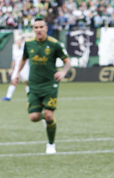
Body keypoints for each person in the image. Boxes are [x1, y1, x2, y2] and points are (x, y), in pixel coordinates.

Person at [12, 18, 72, 154]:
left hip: (50, 85)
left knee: (49, 115)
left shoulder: (55, 44)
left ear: (46, 28)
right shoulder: (29, 44)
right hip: (34, 85)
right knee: (33, 117)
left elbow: (67, 61)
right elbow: (23, 59)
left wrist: (63, 71)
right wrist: (17, 74)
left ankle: (51, 144)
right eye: (36, 27)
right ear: (33, 29)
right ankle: (45, 117)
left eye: (41, 27)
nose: (38, 30)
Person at [2, 36, 29, 101]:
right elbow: (13, 60)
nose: (18, 42)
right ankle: (8, 96)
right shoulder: (15, 50)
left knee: (27, 82)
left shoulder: (25, 49)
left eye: (19, 40)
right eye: (17, 41)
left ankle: (30, 96)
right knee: (13, 81)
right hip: (17, 68)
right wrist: (11, 69)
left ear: (21, 42)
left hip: (25, 67)